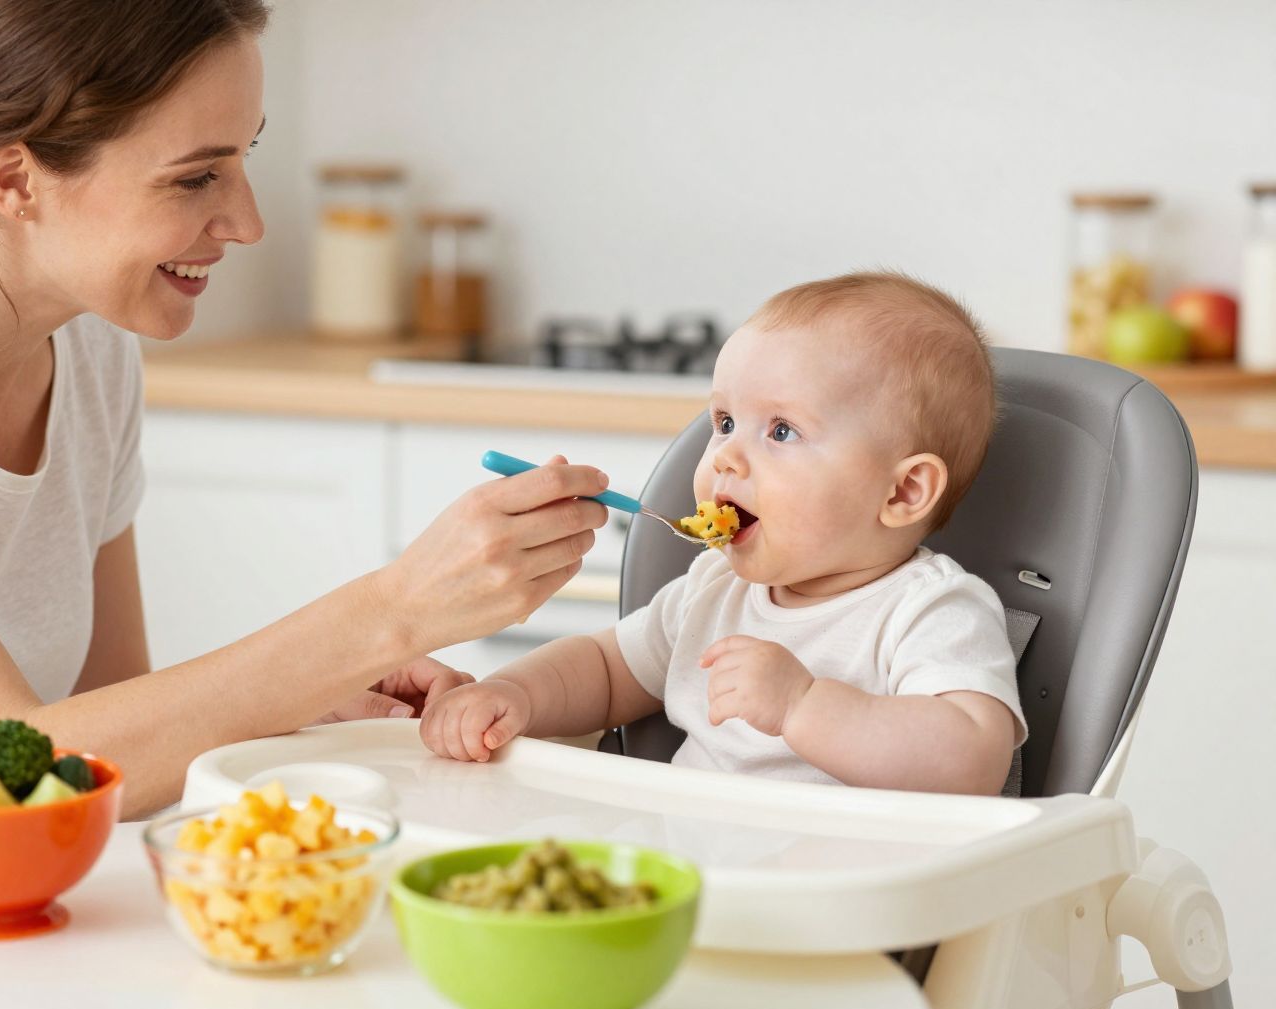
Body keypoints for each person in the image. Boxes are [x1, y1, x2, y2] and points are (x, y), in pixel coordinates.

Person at [0, 0, 608, 856]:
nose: (248, 222)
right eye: (196, 176)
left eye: (243, 159)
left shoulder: (88, 350)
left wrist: (304, 698)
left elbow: (107, 731)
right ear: (13, 180)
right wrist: (390, 614)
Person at [421, 272, 1027, 795]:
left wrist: (803, 705)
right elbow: (606, 670)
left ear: (902, 492)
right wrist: (515, 695)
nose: (726, 459)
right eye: (725, 421)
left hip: (838, 900)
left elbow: (972, 760)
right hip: (688, 869)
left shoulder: (928, 609)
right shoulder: (712, 590)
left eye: (782, 431)